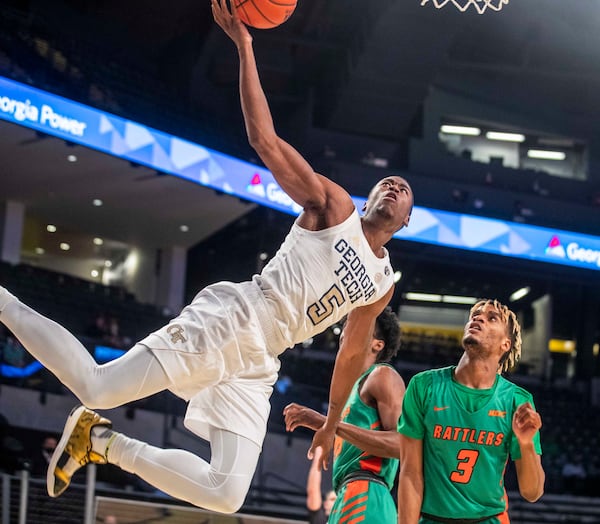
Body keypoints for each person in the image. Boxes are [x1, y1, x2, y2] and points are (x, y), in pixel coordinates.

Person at [0, 0, 413, 514]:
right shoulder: (333, 207)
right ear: (370, 195)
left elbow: (352, 353)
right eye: (388, 181)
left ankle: (103, 443)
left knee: (226, 492)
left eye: (404, 189)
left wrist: (332, 422)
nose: (394, 185)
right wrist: (245, 47)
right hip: (238, 317)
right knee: (97, 385)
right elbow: (264, 140)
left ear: (406, 221)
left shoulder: (380, 284)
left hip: (262, 358)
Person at [397, 299, 545, 524]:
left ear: (505, 344)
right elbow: (410, 474)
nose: (478, 318)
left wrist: (525, 445)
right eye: (475, 314)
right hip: (431, 518)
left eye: (491, 317)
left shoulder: (517, 401)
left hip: (489, 518)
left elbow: (532, 492)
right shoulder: (424, 386)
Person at [285, 307, 405, 524]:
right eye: (348, 324)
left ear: (377, 344)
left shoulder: (382, 375)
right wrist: (329, 425)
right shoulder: (351, 390)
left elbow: (403, 444)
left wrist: (326, 424)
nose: (346, 331)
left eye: (357, 324)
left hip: (367, 493)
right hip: (346, 494)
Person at [306, 447, 337, 524]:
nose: (336, 502)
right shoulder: (320, 519)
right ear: (325, 504)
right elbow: (313, 491)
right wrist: (319, 452)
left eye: (338, 499)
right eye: (333, 499)